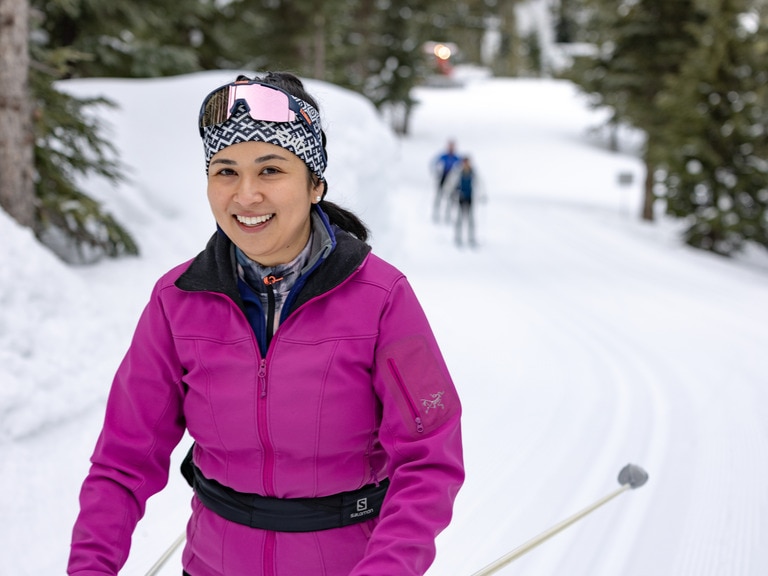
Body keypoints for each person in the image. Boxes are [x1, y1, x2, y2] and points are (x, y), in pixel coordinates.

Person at [67, 72, 464, 576]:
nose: (245, 195)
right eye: (225, 171)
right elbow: (122, 463)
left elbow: (430, 460)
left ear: (314, 183)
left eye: (271, 169)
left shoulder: (382, 298)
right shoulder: (177, 302)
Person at [431, 139, 461, 222]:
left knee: (450, 198)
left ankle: (448, 215)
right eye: (450, 146)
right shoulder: (443, 156)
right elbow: (434, 163)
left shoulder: (456, 157)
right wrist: (436, 172)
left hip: (451, 180)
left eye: (452, 146)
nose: (451, 148)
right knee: (439, 196)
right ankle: (436, 214)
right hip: (443, 176)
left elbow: (461, 168)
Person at [452, 156, 478, 247]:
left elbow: (479, 183)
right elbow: (452, 183)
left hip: (470, 197)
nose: (466, 164)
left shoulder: (473, 172)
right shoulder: (458, 172)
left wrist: (482, 195)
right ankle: (457, 237)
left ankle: (471, 238)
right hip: (461, 197)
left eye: (468, 162)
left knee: (471, 219)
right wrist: (452, 192)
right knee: (459, 218)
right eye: (465, 162)